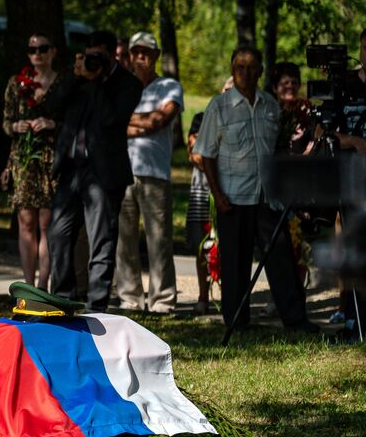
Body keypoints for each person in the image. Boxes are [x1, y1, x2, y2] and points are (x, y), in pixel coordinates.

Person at [196, 46, 315, 333]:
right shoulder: (219, 107)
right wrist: (217, 192)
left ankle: (296, 321)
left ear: (261, 71)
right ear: (232, 70)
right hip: (233, 198)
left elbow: (277, 149)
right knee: (235, 264)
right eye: (240, 67)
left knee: (281, 260)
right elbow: (206, 154)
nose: (246, 74)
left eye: (251, 68)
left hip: (267, 198)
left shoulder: (270, 106)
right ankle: (237, 323)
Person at [47, 29, 141, 311]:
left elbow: (111, 118)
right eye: (90, 55)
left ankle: (96, 306)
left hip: (103, 173)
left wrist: (96, 83)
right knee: (58, 234)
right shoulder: (76, 77)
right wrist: (77, 78)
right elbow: (52, 106)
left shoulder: (128, 84)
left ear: (113, 53)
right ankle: (61, 299)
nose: (92, 61)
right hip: (71, 168)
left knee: (101, 241)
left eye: (99, 55)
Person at [114, 31, 183, 313]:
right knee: (124, 238)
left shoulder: (168, 86)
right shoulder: (120, 86)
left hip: (154, 172)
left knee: (159, 238)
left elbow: (161, 119)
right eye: (136, 52)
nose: (141, 57)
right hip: (123, 169)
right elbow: (114, 122)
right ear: (130, 55)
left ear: (155, 56)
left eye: (147, 52)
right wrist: (144, 121)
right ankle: (130, 297)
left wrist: (129, 122)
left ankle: (162, 299)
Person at [2, 32, 73, 289]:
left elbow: (74, 121)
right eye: (32, 50)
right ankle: (28, 282)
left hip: (50, 158)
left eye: (43, 49)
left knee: (47, 222)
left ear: (53, 51)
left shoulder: (64, 82)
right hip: (24, 160)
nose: (37, 55)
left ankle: (44, 282)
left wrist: (52, 124)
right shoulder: (17, 83)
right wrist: (16, 126)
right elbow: (5, 122)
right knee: (26, 223)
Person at [185, 110, 213, 316]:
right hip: (202, 194)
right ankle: (203, 297)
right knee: (201, 246)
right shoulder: (202, 118)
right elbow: (195, 155)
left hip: (232, 194)